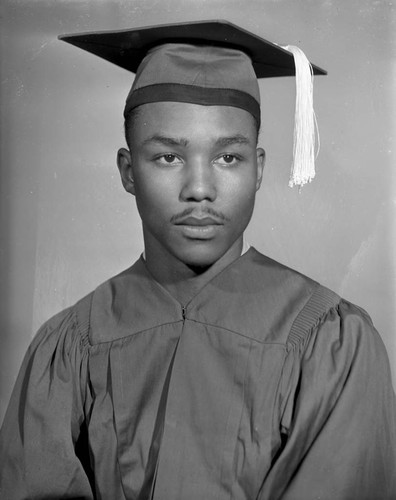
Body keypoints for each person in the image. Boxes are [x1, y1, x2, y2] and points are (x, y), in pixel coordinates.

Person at [0, 20, 395, 500]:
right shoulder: (70, 346)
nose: (200, 189)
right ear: (128, 172)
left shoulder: (331, 343)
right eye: (168, 157)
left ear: (259, 169)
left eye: (229, 158)